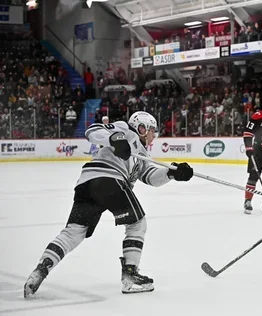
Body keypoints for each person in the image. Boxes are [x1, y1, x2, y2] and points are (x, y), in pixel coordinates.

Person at [24, 111, 194, 297]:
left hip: (88, 184)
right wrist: (116, 139)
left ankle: (41, 269)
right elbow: (93, 130)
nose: (154, 136)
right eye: (152, 130)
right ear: (142, 128)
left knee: (75, 231)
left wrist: (172, 173)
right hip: (108, 180)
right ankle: (130, 275)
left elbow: (151, 177)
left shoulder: (142, 153)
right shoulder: (126, 130)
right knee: (137, 223)